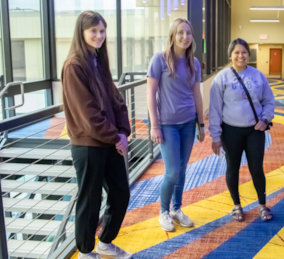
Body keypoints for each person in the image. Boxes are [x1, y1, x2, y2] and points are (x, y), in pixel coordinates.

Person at [62, 11, 132, 259]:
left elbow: (117, 101)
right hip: (88, 145)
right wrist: (115, 137)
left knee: (121, 193)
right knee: (90, 200)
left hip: (109, 142)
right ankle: (85, 251)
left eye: (102, 31)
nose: (99, 35)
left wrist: (123, 132)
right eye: (93, 31)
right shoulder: (74, 65)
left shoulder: (97, 62)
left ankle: (105, 242)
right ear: (82, 33)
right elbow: (88, 115)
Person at [146, 18, 204, 232]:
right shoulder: (159, 60)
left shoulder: (194, 63)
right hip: (167, 124)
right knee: (172, 171)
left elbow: (197, 94)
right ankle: (163, 211)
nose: (185, 37)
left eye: (188, 33)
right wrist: (154, 126)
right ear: (172, 35)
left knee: (182, 169)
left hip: (188, 123)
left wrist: (201, 123)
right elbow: (150, 94)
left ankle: (177, 209)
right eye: (180, 32)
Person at [209, 38, 275, 222]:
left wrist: (265, 119)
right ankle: (237, 205)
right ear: (230, 55)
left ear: (249, 54)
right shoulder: (222, 78)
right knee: (233, 168)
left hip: (255, 130)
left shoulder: (258, 76)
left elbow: (269, 101)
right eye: (236, 52)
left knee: (257, 169)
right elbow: (214, 109)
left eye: (244, 52)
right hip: (231, 131)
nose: (240, 55)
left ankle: (263, 205)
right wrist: (215, 136)